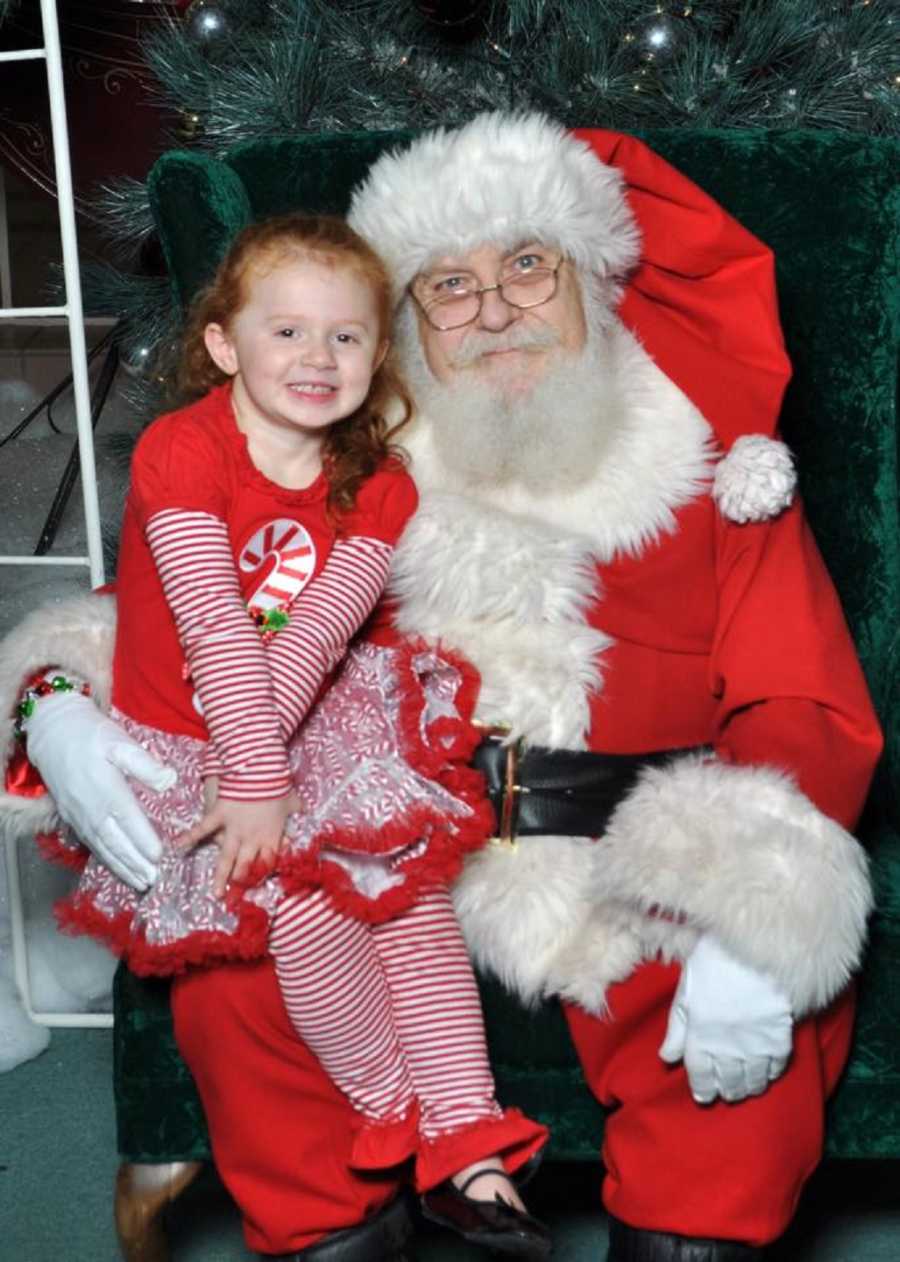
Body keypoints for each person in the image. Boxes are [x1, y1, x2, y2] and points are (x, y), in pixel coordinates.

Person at [0, 113, 883, 1262]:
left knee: (722, 1070)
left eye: (529, 263)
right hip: (364, 834)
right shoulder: (336, 466)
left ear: (592, 279)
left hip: (618, 836)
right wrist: (50, 703)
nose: (497, 305)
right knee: (243, 978)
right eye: (449, 285)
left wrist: (759, 907)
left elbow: (802, 702)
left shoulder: (708, 465)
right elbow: (174, 613)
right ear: (406, 326)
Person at [9, 212, 549, 1259]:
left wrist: (285, 771)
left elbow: (312, 636)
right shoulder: (186, 446)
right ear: (223, 344)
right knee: (299, 916)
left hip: (326, 716)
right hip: (197, 743)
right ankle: (388, 1100)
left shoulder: (380, 481)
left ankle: (468, 1139)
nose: (318, 358)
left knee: (410, 907)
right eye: (287, 332)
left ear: (376, 356)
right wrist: (254, 780)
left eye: (346, 336)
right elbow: (215, 620)